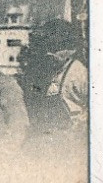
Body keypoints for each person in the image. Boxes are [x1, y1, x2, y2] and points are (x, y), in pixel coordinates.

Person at [18, 19, 87, 150]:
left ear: (71, 49)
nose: (49, 53)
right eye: (47, 48)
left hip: (71, 142)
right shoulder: (49, 71)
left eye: (55, 49)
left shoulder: (79, 73)